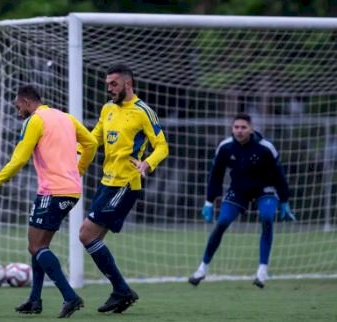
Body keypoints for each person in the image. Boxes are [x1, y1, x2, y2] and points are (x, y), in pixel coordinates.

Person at [0, 85, 98, 318]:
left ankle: (70, 296)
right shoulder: (66, 117)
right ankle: (35, 300)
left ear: (26, 102)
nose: (17, 111)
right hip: (71, 190)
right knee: (37, 245)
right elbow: (92, 144)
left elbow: (18, 159)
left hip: (52, 191)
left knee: (36, 246)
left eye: (17, 107)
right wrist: (79, 169)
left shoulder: (35, 121)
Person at [79, 64, 169, 313]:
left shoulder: (143, 111)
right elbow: (93, 138)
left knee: (86, 235)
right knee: (92, 239)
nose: (109, 88)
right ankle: (121, 292)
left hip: (127, 183)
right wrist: (73, 154)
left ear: (128, 84)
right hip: (106, 182)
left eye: (113, 84)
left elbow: (162, 146)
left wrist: (148, 164)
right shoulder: (107, 108)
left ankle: (121, 289)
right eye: (107, 84)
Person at [188, 113, 296, 289]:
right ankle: (202, 269)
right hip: (239, 190)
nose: (239, 131)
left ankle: (262, 271)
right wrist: (209, 202)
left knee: (267, 217)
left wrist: (284, 200)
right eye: (236, 127)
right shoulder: (225, 148)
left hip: (265, 188)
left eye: (243, 127)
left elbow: (279, 176)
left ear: (251, 129)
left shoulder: (265, 148)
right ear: (232, 129)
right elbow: (216, 175)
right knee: (222, 222)